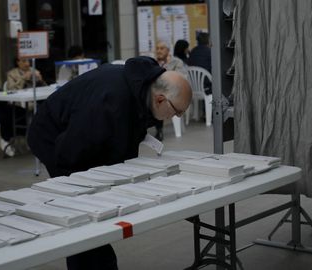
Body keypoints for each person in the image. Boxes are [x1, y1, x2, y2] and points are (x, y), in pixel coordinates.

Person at [27, 56, 192, 270]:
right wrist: (80, 192)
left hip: (80, 133)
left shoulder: (143, 84)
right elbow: (70, 155)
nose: (176, 117)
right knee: (83, 214)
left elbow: (125, 135)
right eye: (177, 111)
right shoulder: (111, 102)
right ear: (160, 99)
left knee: (95, 211)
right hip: (53, 137)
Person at [154, 40, 189, 140]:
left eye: (162, 48)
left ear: (168, 50)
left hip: (172, 92)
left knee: (158, 100)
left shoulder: (176, 62)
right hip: (156, 91)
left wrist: (167, 66)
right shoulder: (152, 62)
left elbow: (182, 78)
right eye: (157, 48)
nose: (159, 51)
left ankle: (159, 130)